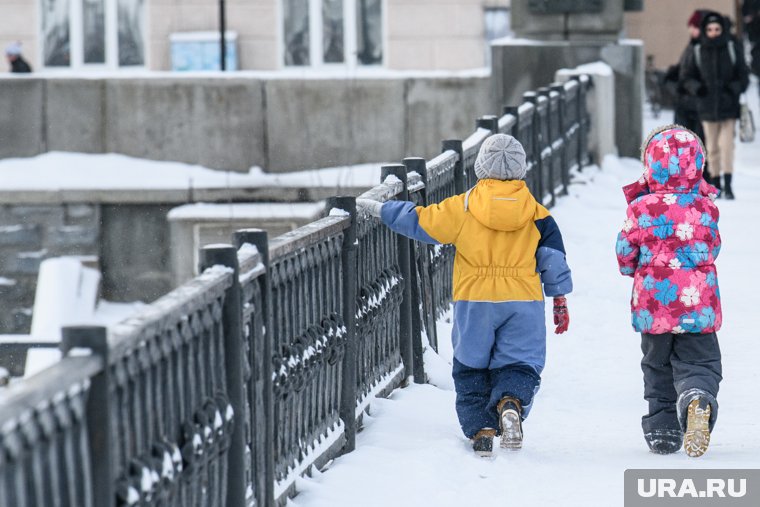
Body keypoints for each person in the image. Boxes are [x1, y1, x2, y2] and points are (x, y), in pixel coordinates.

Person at [356, 134, 573, 457]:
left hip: (475, 301)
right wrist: (559, 297)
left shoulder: (464, 207)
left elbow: (421, 221)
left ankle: (481, 431)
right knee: (520, 363)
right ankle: (511, 401)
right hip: (522, 300)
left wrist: (382, 209)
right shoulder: (538, 214)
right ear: (521, 170)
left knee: (471, 367)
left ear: (480, 169)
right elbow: (553, 260)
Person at [616, 125, 723, 458]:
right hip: (698, 305)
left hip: (654, 304)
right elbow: (714, 248)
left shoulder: (641, 208)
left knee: (657, 364)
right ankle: (696, 398)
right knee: (701, 361)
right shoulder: (705, 208)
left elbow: (624, 255)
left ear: (651, 165)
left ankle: (663, 429)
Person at [680, 11, 749, 200]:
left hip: (728, 107)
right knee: (711, 147)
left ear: (722, 29)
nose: (713, 32)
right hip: (706, 107)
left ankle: (728, 184)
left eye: (717, 29)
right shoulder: (697, 49)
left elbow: (743, 74)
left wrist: (733, 89)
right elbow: (686, 76)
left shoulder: (731, 47)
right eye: (709, 29)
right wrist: (697, 89)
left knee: (727, 146)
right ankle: (716, 183)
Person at [663, 10, 709, 145]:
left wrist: (690, 87)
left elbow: (699, 76)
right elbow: (685, 68)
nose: (691, 30)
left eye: (694, 27)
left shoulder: (705, 49)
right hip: (685, 104)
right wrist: (673, 73)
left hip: (695, 106)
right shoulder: (692, 45)